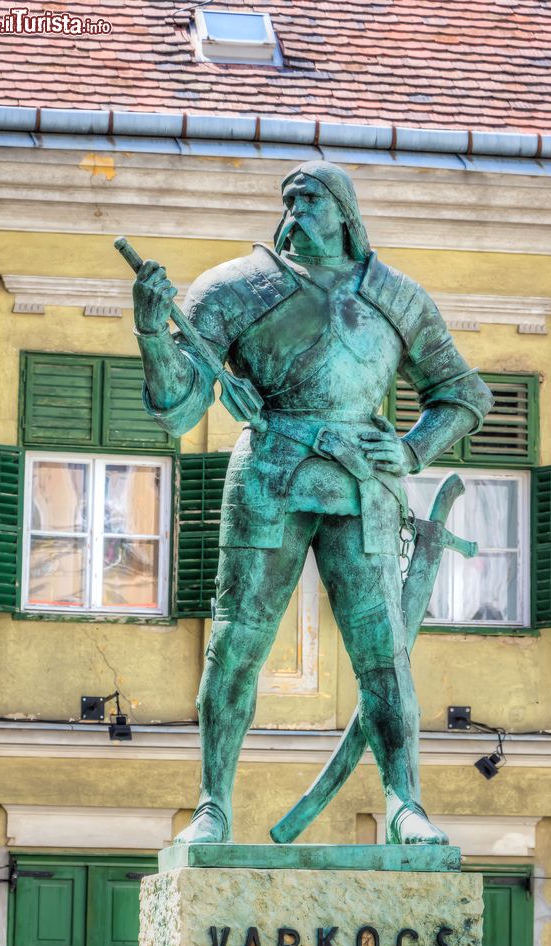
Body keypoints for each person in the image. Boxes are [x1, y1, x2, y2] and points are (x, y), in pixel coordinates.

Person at [132, 161, 493, 845]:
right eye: (288, 200)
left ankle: (404, 804)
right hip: (268, 473)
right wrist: (154, 334)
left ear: (344, 212)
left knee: (382, 652)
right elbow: (178, 409)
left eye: (310, 199)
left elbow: (464, 394)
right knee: (237, 643)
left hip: (364, 485)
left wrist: (414, 451)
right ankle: (213, 805)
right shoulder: (236, 287)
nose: (295, 211)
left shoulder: (397, 297)